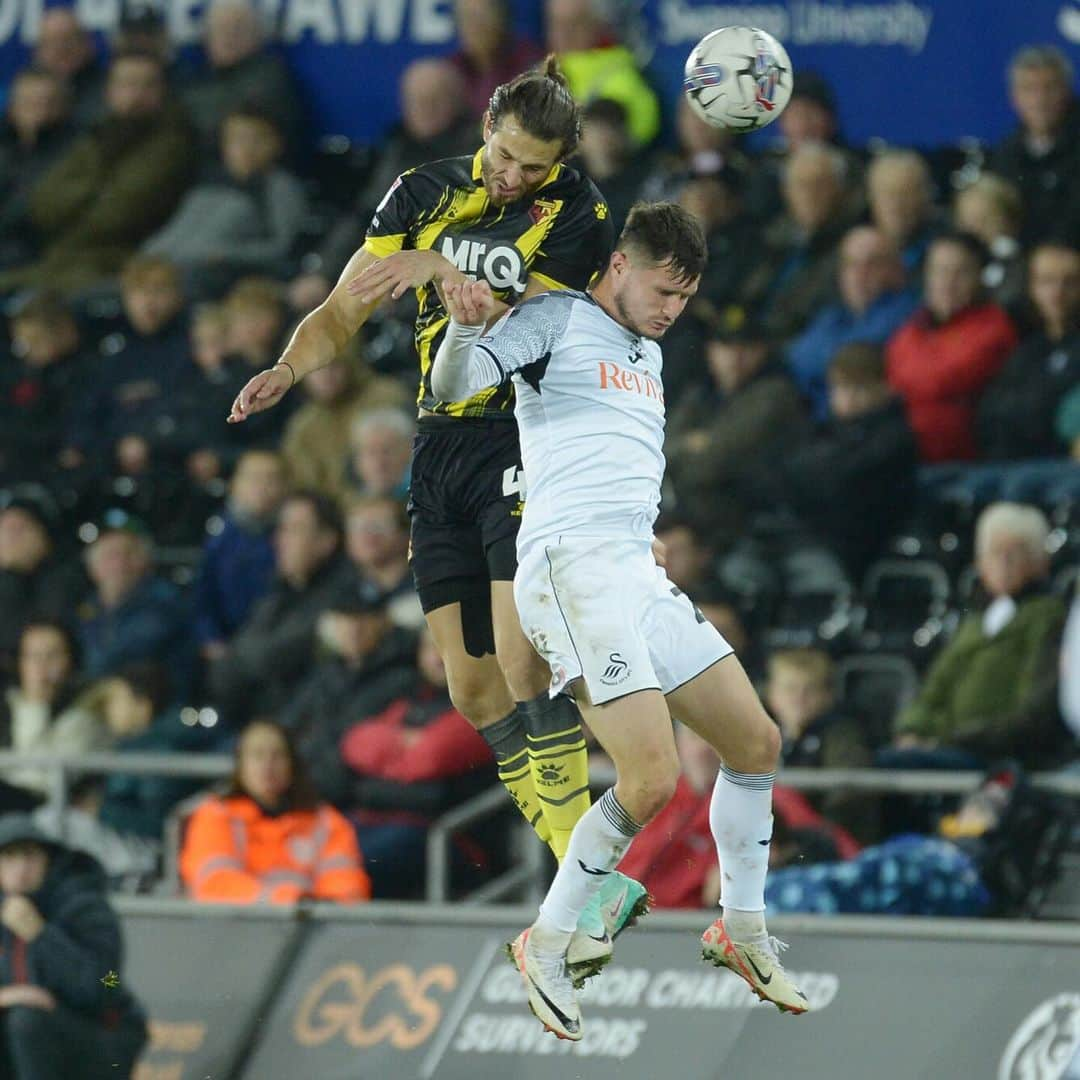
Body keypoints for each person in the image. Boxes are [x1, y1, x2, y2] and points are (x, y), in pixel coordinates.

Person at [227, 60, 627, 969]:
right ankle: (586, 871)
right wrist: (291, 368)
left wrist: (446, 266)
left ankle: (584, 884)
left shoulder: (578, 212)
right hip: (438, 444)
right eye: (505, 154)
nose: (513, 176)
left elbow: (569, 321)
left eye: (534, 165)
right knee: (472, 687)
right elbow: (342, 309)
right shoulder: (419, 191)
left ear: (561, 161)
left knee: (522, 652)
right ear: (486, 123)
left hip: (525, 434)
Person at [432, 202, 808, 1038]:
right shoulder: (556, 319)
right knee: (649, 779)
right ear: (618, 266)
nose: (673, 308)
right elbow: (452, 387)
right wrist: (461, 331)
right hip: (571, 571)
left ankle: (741, 930)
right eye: (663, 289)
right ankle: (549, 940)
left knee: (756, 744)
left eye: (686, 296)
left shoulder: (651, 351)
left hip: (635, 569)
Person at [881, 503, 1068, 770]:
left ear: (1040, 562)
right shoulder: (974, 621)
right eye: (995, 553)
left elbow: (1034, 711)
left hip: (998, 755)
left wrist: (949, 739)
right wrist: (913, 730)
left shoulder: (1049, 617)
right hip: (947, 746)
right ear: (980, 563)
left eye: (1015, 554)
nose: (1004, 564)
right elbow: (934, 687)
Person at [2, 49, 195, 294]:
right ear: (110, 90)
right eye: (127, 84)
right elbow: (42, 203)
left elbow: (119, 214)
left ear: (162, 91)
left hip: (114, 264)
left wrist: (72, 209)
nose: (135, 95)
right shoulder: (98, 135)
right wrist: (94, 188)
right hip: (57, 260)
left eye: (147, 85)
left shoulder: (171, 143)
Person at [340, 627, 494, 897]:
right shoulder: (405, 701)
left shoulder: (484, 708)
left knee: (350, 862)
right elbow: (354, 743)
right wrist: (406, 752)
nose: (437, 656)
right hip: (380, 820)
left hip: (448, 834)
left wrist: (386, 763)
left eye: (445, 646)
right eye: (429, 648)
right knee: (313, 846)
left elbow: (429, 760)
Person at [0, 815, 148, 1077]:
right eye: (9, 857)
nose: (21, 869)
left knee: (28, 1022)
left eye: (30, 856)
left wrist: (42, 936)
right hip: (25, 1033)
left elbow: (107, 984)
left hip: (101, 1035)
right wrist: (11, 996)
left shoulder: (85, 906)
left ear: (48, 859)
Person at [180, 719, 371, 903]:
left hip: (313, 931)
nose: (267, 765)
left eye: (277, 755)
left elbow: (346, 883)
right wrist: (290, 901)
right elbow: (215, 883)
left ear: (292, 764)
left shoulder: (326, 822)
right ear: (241, 764)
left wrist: (318, 907)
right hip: (233, 931)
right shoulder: (216, 815)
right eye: (257, 755)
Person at [206, 490, 352, 720]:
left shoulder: (345, 596)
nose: (279, 540)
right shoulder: (279, 589)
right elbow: (227, 668)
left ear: (327, 541)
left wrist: (238, 659)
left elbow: (268, 657)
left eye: (294, 530)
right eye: (281, 529)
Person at [142, 104, 308, 291]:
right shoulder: (205, 186)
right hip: (173, 270)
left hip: (229, 278)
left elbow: (284, 248)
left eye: (257, 139)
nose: (247, 148)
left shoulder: (281, 187)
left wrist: (224, 255)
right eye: (237, 139)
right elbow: (175, 232)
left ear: (277, 144)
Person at [886, 231, 1018, 462]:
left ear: (979, 278)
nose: (948, 282)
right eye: (940, 271)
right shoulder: (912, 327)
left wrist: (906, 382)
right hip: (900, 449)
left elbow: (938, 379)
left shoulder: (993, 328)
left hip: (957, 457)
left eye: (961, 272)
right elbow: (892, 378)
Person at [786, 225, 918, 420]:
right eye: (851, 264)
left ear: (896, 270)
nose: (860, 273)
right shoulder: (834, 313)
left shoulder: (906, 312)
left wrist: (821, 368)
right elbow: (797, 357)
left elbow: (850, 358)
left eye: (872, 264)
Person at [977, 241, 1080, 461]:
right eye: (1047, 281)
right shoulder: (1026, 348)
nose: (1057, 292)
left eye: (1070, 282)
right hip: (1010, 463)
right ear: (1032, 288)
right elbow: (991, 412)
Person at [766, 648, 879, 843]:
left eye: (809, 690)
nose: (798, 699)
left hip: (824, 840)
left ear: (827, 696)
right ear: (772, 695)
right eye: (790, 689)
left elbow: (846, 795)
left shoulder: (843, 734)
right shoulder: (757, 734)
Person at [0, 621, 107, 810]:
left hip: (47, 814)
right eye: (33, 656)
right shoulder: (6, 706)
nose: (41, 666)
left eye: (52, 656)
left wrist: (36, 705)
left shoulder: (87, 716)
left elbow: (40, 782)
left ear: (71, 661)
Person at [194, 449, 284, 660]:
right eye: (254, 479)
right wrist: (210, 639)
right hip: (228, 646)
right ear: (235, 485)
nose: (263, 487)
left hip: (277, 645)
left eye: (272, 479)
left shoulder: (292, 531)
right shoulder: (219, 536)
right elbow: (202, 597)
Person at [280, 355, 408, 499]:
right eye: (316, 369)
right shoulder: (301, 428)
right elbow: (305, 486)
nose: (326, 375)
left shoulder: (387, 396)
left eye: (334, 365)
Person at [990, 45, 1080, 246]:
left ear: (1067, 92)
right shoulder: (1007, 153)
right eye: (1029, 89)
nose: (1040, 100)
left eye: (1050, 88)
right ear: (1014, 99)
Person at [451, 0, 544, 119]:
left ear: (501, 18)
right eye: (465, 18)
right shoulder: (453, 70)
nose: (472, 28)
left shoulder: (528, 64)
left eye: (480, 18)